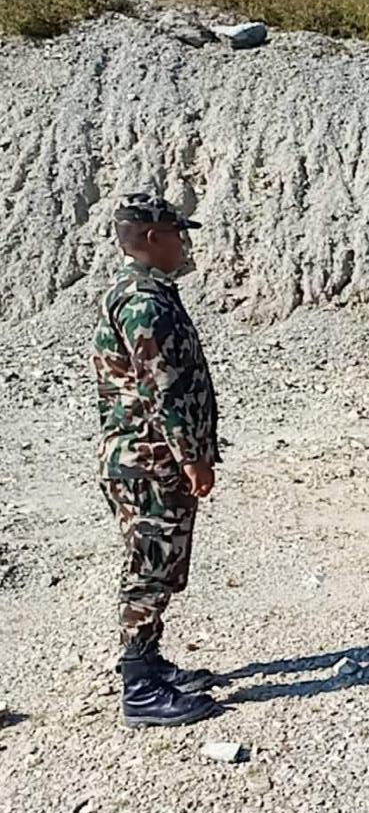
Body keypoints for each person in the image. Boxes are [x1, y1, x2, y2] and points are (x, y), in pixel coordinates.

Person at [93, 193, 221, 728]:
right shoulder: (144, 299)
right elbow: (164, 387)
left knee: (161, 563)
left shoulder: (148, 292)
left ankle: (149, 662)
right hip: (150, 461)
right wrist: (192, 457)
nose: (182, 243)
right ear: (150, 238)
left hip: (150, 457)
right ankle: (139, 687)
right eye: (175, 233)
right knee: (150, 567)